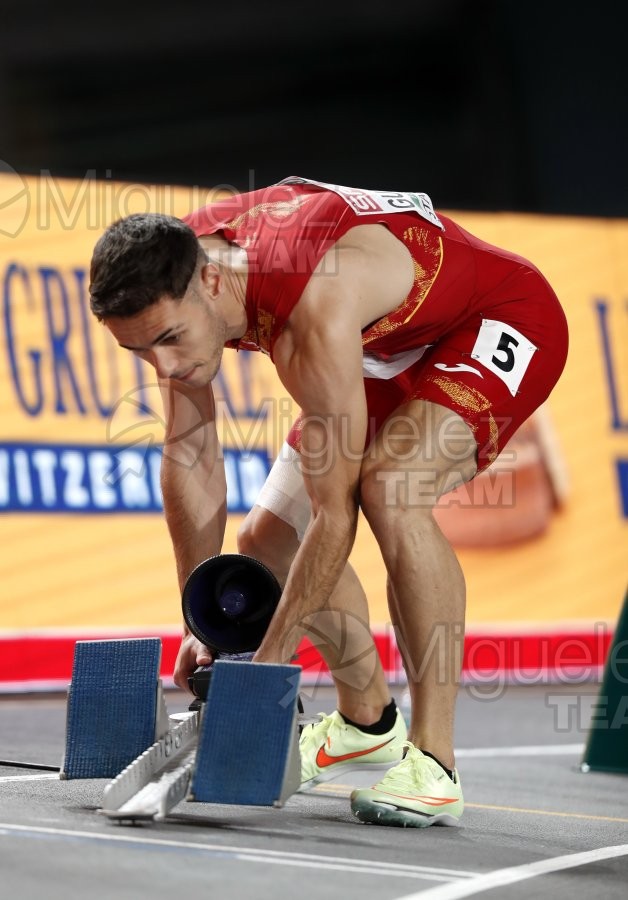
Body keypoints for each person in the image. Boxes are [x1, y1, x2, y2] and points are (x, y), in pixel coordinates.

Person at [89, 176, 568, 828]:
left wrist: (267, 668)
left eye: (169, 340)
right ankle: (366, 720)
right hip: (378, 351)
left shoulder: (312, 306)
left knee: (389, 487)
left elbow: (336, 516)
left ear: (207, 285)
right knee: (265, 543)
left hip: (494, 318)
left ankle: (435, 763)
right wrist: (204, 625)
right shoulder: (177, 264)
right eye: (137, 351)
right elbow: (193, 456)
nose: (162, 368)